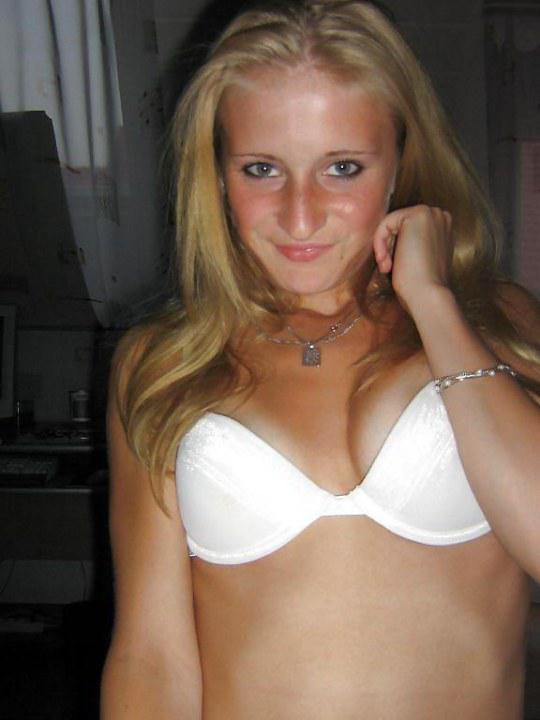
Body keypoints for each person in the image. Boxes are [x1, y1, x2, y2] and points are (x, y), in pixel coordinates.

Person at [100, 1, 540, 718]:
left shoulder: (497, 323)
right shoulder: (161, 363)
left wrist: (433, 303)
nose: (299, 216)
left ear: (401, 163)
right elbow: (149, 657)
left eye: (341, 168)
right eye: (261, 169)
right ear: (217, 175)